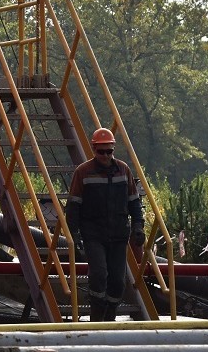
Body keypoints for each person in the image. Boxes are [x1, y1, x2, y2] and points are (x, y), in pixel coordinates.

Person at [66, 127, 145, 321]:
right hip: (93, 234)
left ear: (113, 150)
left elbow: (134, 201)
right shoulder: (83, 172)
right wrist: (73, 233)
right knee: (99, 274)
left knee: (118, 281)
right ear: (94, 149)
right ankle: (96, 314)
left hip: (118, 235)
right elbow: (73, 205)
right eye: (101, 151)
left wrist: (138, 226)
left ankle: (110, 315)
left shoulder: (123, 170)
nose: (105, 155)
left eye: (109, 151)